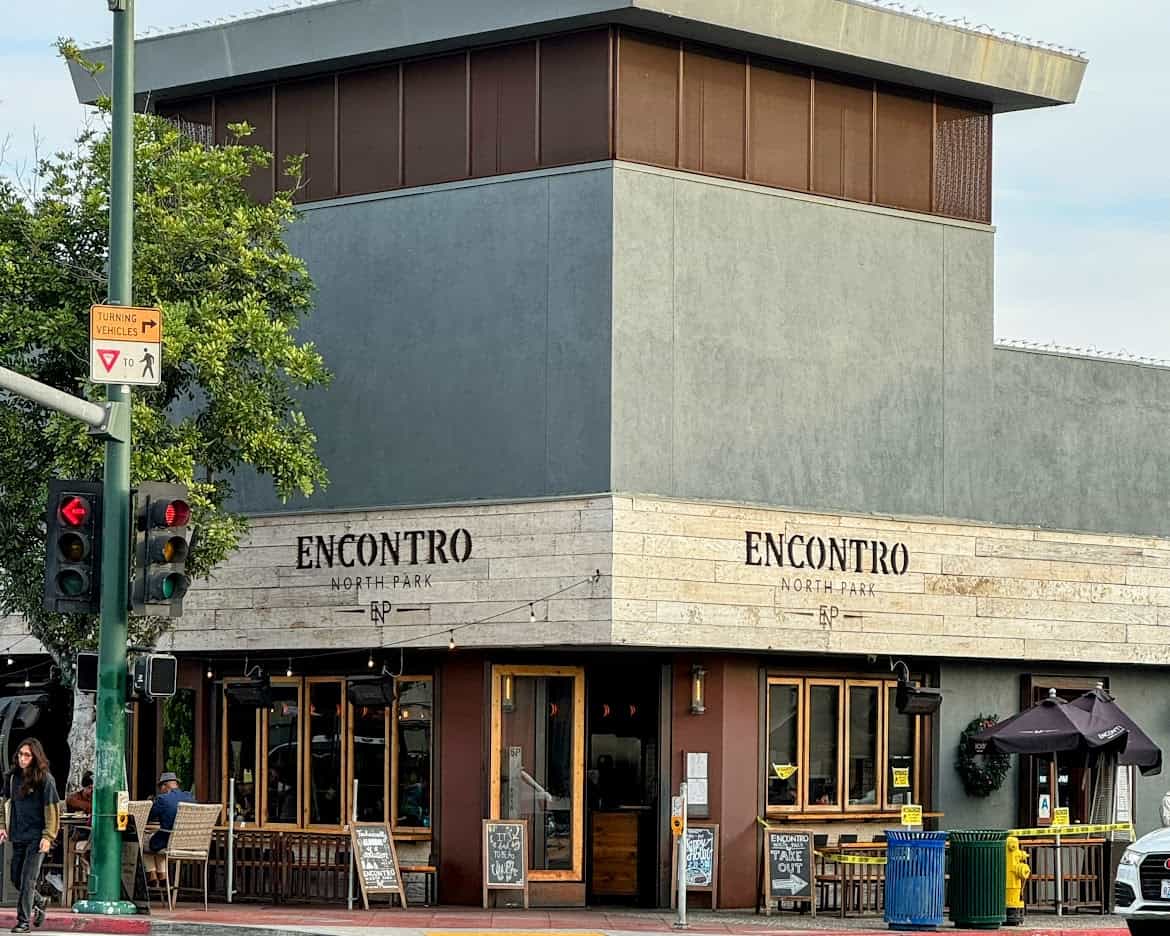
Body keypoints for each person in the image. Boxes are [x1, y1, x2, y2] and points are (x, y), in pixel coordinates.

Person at [0, 739, 60, 933]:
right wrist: (2, 826)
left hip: (38, 837)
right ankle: (39, 900)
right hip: (18, 834)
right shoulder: (12, 778)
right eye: (20, 754)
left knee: (28, 880)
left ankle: (23, 922)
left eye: (27, 755)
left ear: (35, 757)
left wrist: (48, 836)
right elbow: (4, 803)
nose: (22, 758)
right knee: (15, 878)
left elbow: (52, 810)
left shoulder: (45, 779)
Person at [143, 771, 194, 886]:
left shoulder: (163, 799)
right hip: (188, 843)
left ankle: (151, 873)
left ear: (165, 786)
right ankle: (162, 874)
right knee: (157, 843)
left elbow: (148, 817)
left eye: (160, 788)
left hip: (168, 842)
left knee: (143, 841)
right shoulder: (190, 797)